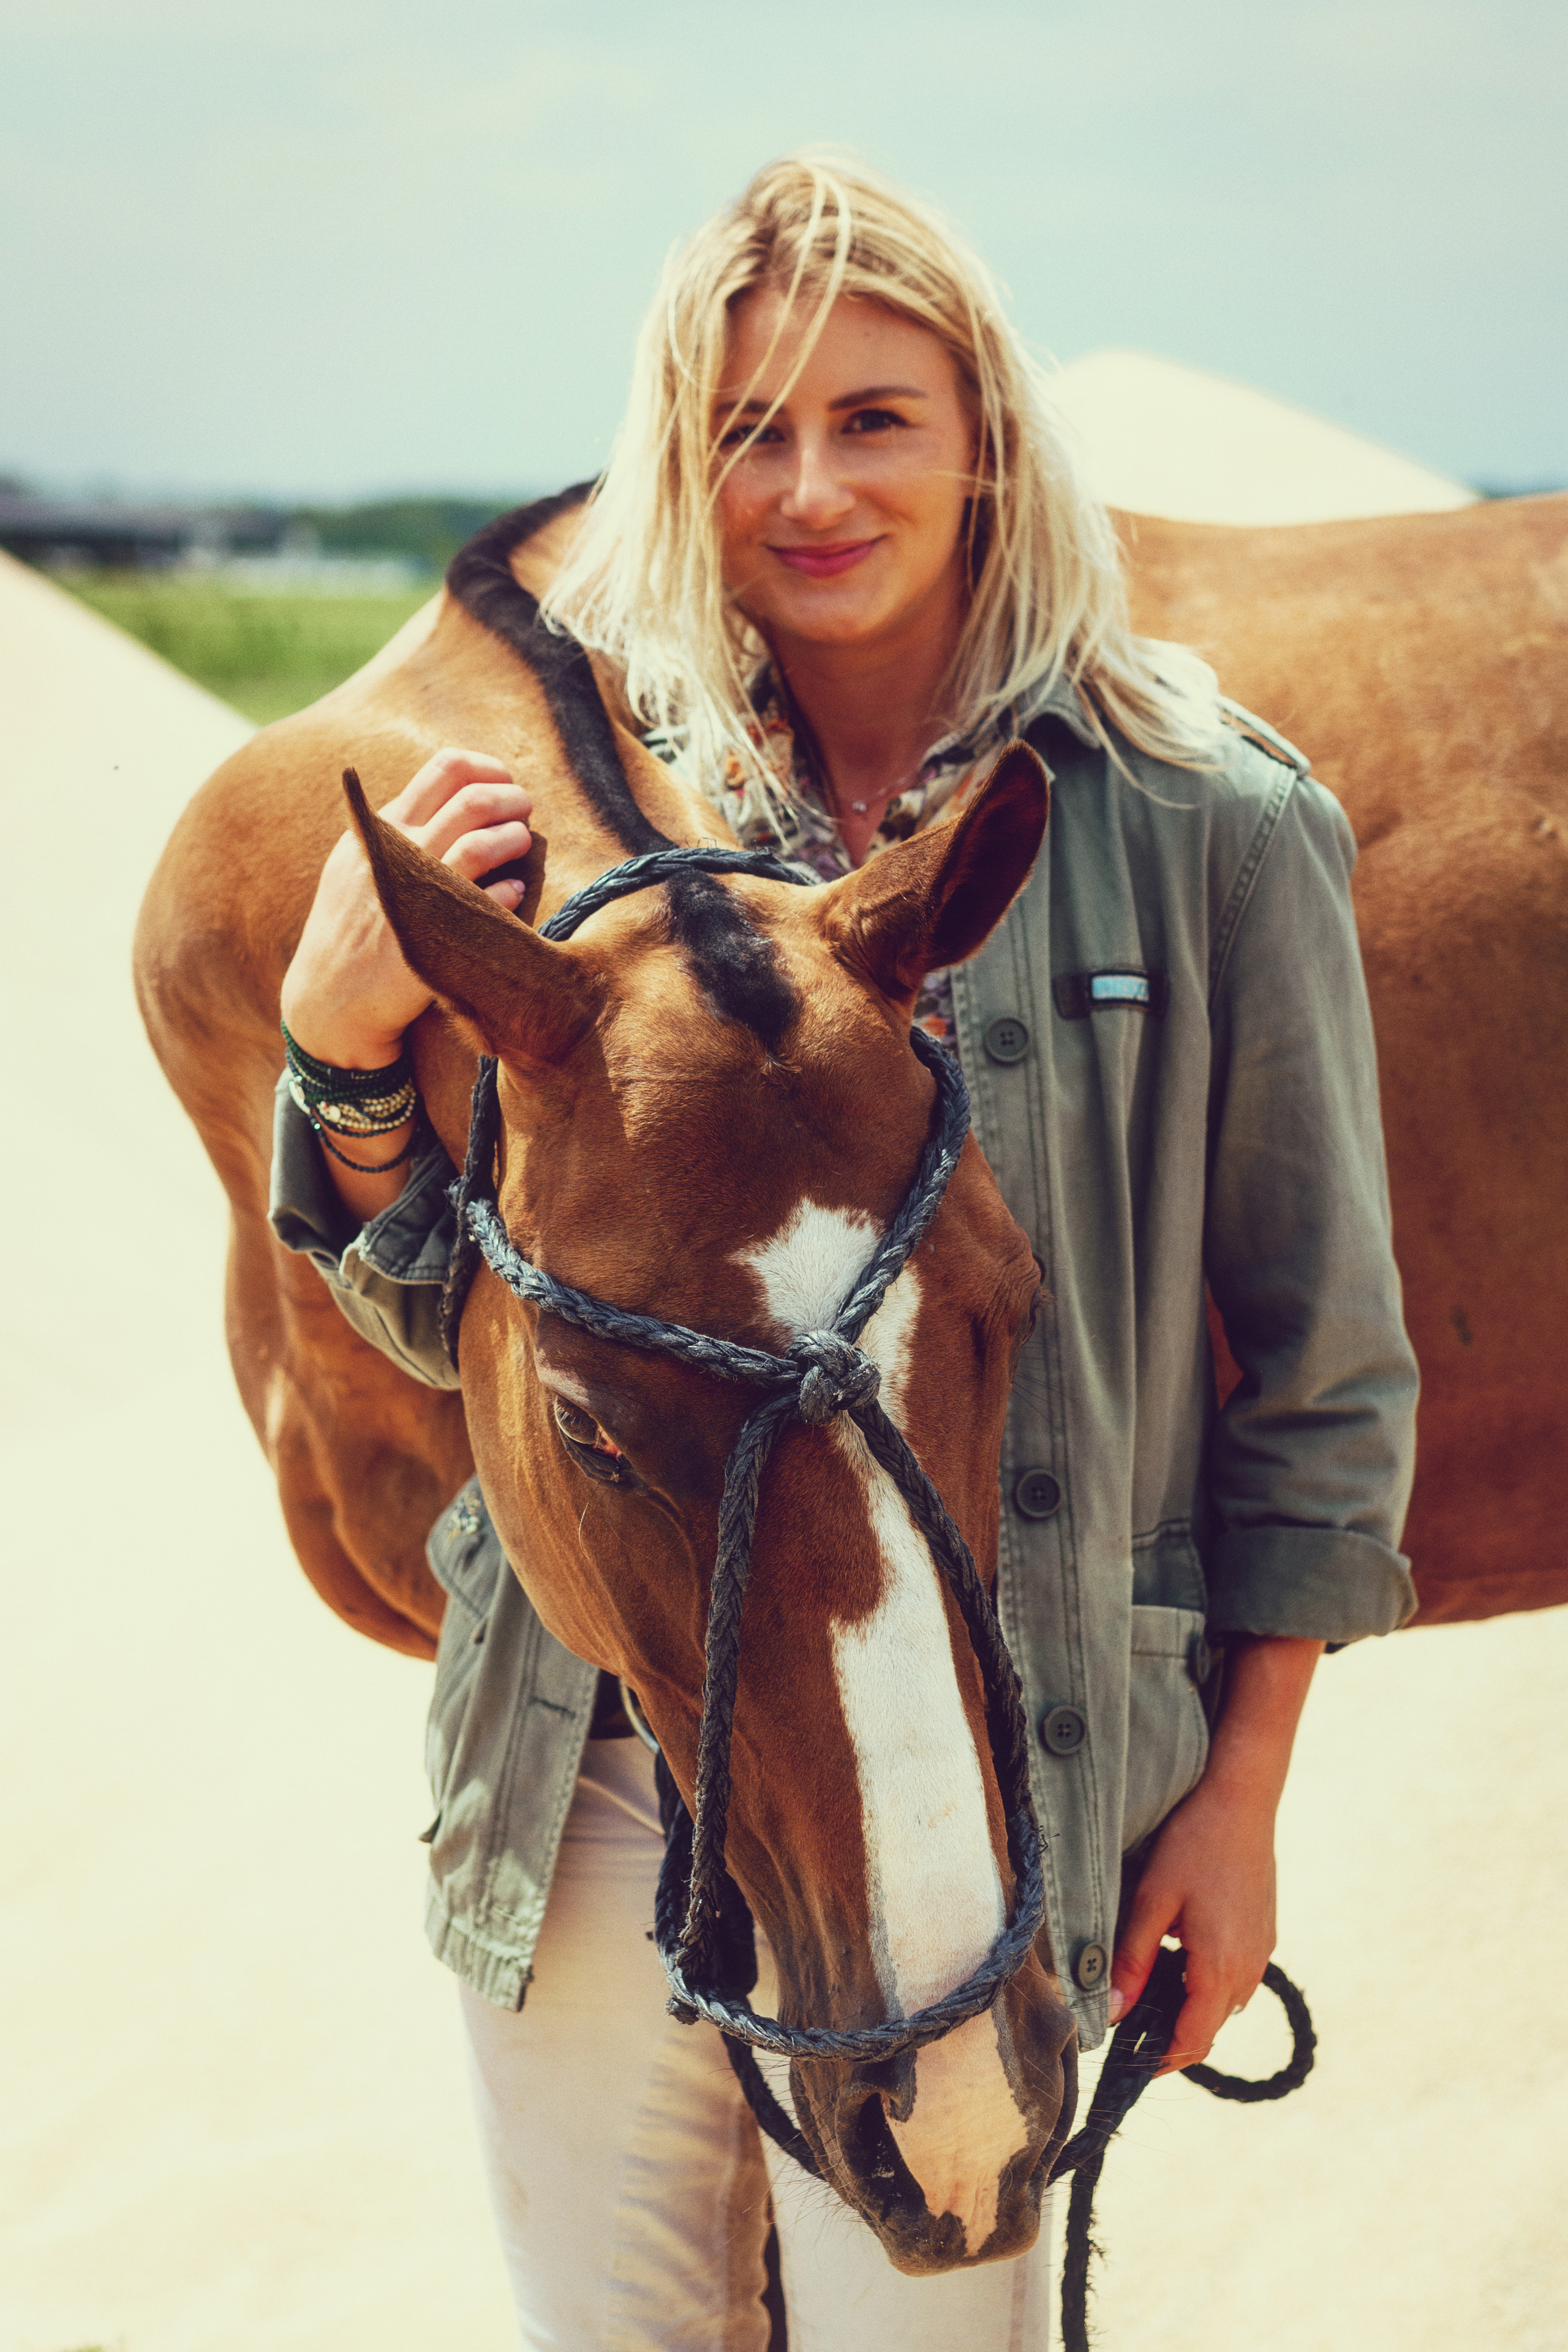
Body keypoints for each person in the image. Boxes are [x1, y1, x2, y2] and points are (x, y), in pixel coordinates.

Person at [271, 155, 1418, 2350]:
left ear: (987, 428)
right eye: (744, 429)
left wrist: (1242, 1803)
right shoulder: (604, 821)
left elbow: (1335, 1383)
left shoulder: (1215, 827)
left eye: (873, 415)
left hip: (989, 1790)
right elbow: (474, 1317)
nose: (808, 486)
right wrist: (340, 1060)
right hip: (590, 1756)